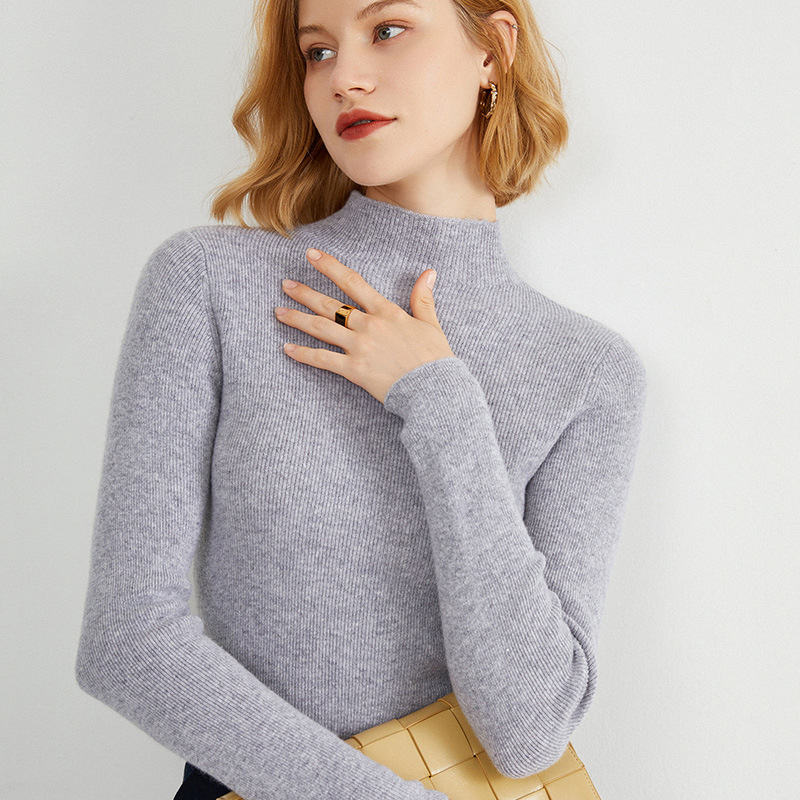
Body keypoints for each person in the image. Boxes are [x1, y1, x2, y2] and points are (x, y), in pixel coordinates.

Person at [74, 0, 648, 798]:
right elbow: (127, 642)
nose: (344, 78)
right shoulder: (212, 282)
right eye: (317, 51)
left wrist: (441, 401)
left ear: (493, 48)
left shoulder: (588, 370)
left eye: (386, 30)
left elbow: (529, 731)